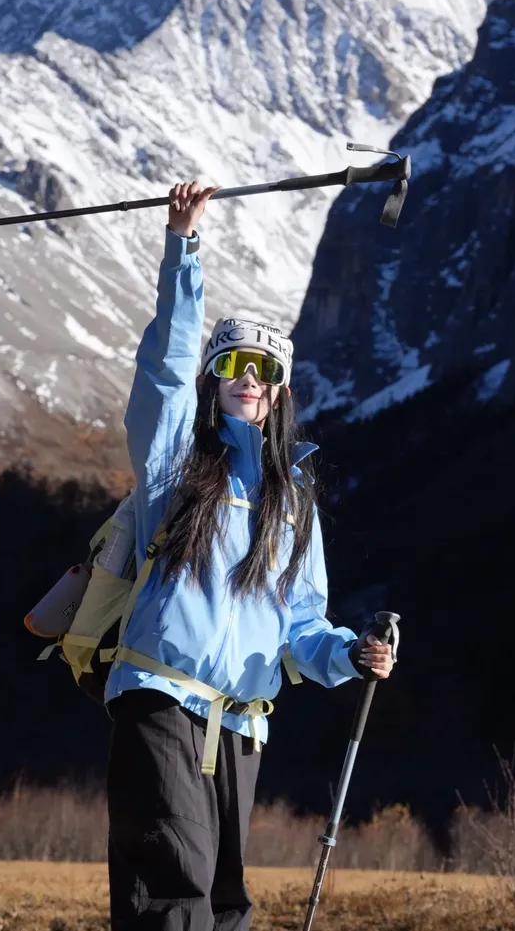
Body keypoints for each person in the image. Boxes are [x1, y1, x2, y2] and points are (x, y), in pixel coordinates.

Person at [105, 181, 395, 929]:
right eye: (235, 365)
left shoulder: (291, 499)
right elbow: (165, 375)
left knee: (225, 904)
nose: (249, 381)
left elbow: (302, 624)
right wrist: (185, 248)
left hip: (241, 724)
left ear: (280, 393)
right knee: (175, 892)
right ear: (215, 378)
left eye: (265, 373)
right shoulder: (175, 463)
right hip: (163, 699)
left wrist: (349, 652)